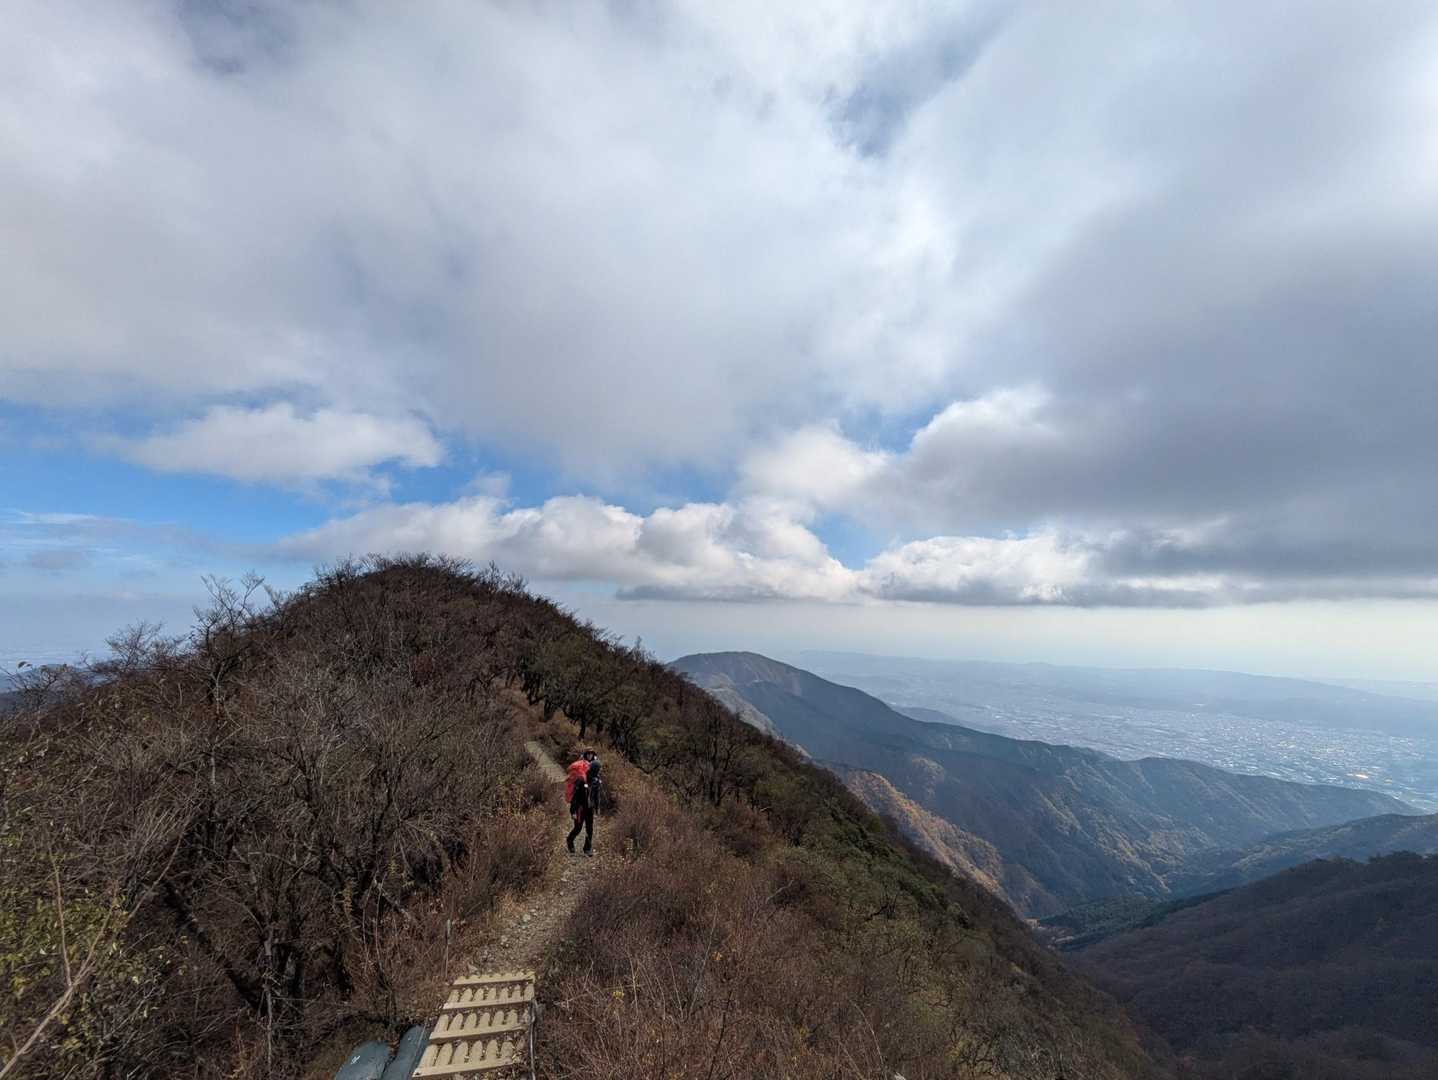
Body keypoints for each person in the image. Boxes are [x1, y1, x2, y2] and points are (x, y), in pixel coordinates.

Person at [566, 755, 594, 856]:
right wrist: (573, 811)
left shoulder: (595, 780)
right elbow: (575, 797)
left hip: (590, 809)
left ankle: (587, 848)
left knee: (589, 829)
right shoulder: (580, 780)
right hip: (580, 809)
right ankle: (570, 840)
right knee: (578, 828)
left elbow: (596, 795)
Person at [582, 749, 602, 816]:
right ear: (586, 754)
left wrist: (598, 779)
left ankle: (596, 808)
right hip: (585, 781)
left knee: (597, 794)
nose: (590, 755)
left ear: (593, 755)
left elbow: (597, 772)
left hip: (593, 781)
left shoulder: (595, 761)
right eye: (588, 754)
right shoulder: (583, 761)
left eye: (591, 754)